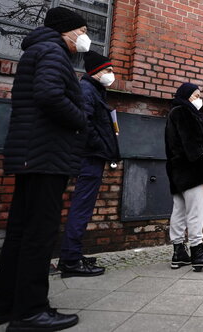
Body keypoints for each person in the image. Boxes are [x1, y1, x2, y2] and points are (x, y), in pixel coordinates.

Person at [0, 7, 89, 331]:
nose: (85, 37)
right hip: (46, 157)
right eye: (83, 30)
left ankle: (5, 306)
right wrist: (81, 119)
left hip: (32, 155)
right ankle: (30, 311)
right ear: (68, 31)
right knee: (39, 235)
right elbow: (49, 95)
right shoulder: (53, 51)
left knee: (20, 233)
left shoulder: (38, 49)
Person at [57, 51, 119, 278]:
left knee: (83, 207)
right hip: (90, 157)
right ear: (95, 71)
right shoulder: (87, 91)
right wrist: (101, 144)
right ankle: (71, 259)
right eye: (108, 71)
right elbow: (85, 125)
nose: (112, 75)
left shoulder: (95, 91)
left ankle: (73, 254)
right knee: (81, 208)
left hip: (93, 156)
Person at [165, 83, 203, 270]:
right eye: (196, 95)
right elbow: (193, 144)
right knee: (197, 211)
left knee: (179, 211)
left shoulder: (174, 112)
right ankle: (197, 251)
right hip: (191, 169)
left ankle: (178, 252)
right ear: (186, 96)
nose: (199, 99)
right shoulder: (184, 112)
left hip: (177, 168)